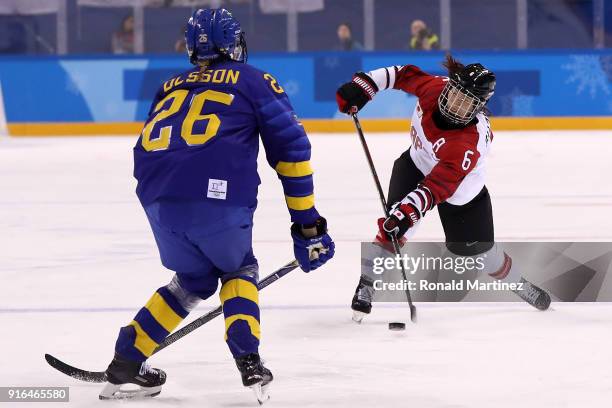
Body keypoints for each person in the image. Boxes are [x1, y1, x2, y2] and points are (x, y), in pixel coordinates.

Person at [99, 8, 335, 403]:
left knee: (192, 280)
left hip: (157, 200)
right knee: (238, 268)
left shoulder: (170, 85)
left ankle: (127, 359)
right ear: (234, 44)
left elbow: (151, 146)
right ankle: (249, 361)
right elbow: (291, 152)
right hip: (217, 200)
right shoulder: (256, 80)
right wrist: (308, 226)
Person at [335, 56, 551, 323]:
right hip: (416, 163)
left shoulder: (466, 144)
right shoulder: (434, 88)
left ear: (479, 106)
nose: (456, 105)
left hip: (462, 194)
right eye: (455, 94)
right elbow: (401, 73)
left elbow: (437, 187)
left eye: (467, 102)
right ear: (448, 86)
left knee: (480, 254)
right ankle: (367, 283)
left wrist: (408, 211)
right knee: (393, 229)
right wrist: (365, 85)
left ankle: (519, 282)